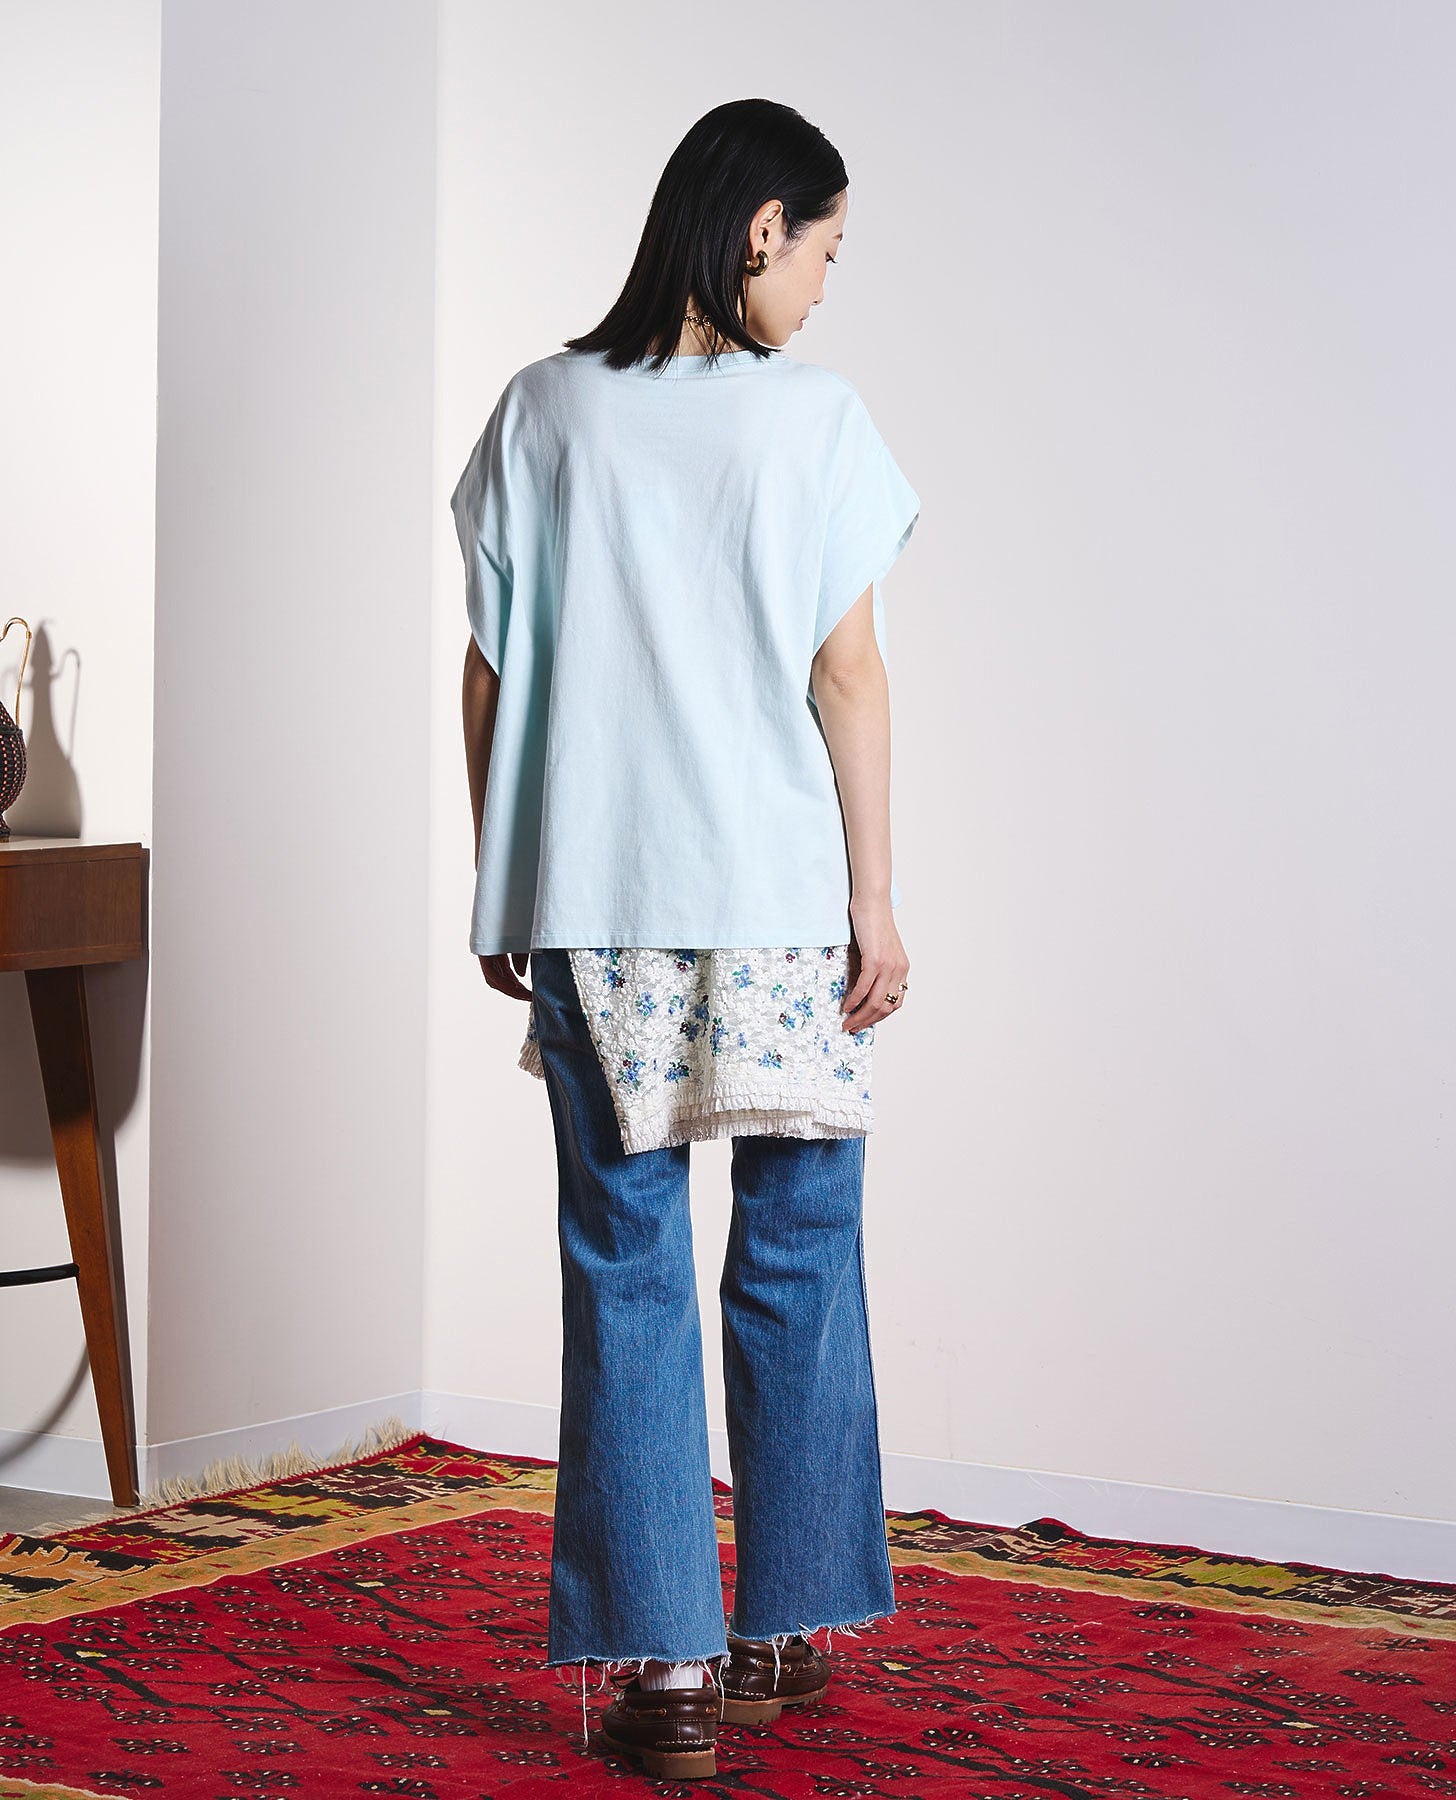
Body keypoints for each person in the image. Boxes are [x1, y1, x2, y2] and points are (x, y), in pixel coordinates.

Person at [452, 97, 920, 1782]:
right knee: (799, 1255)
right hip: (779, 903)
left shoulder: (544, 409)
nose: (825, 288)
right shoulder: (815, 422)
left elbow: (493, 671)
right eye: (827, 251)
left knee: (623, 1263)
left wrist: (504, 879)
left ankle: (666, 1670)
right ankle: (788, 1619)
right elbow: (847, 675)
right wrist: (876, 894)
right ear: (759, 228)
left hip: (600, 901)